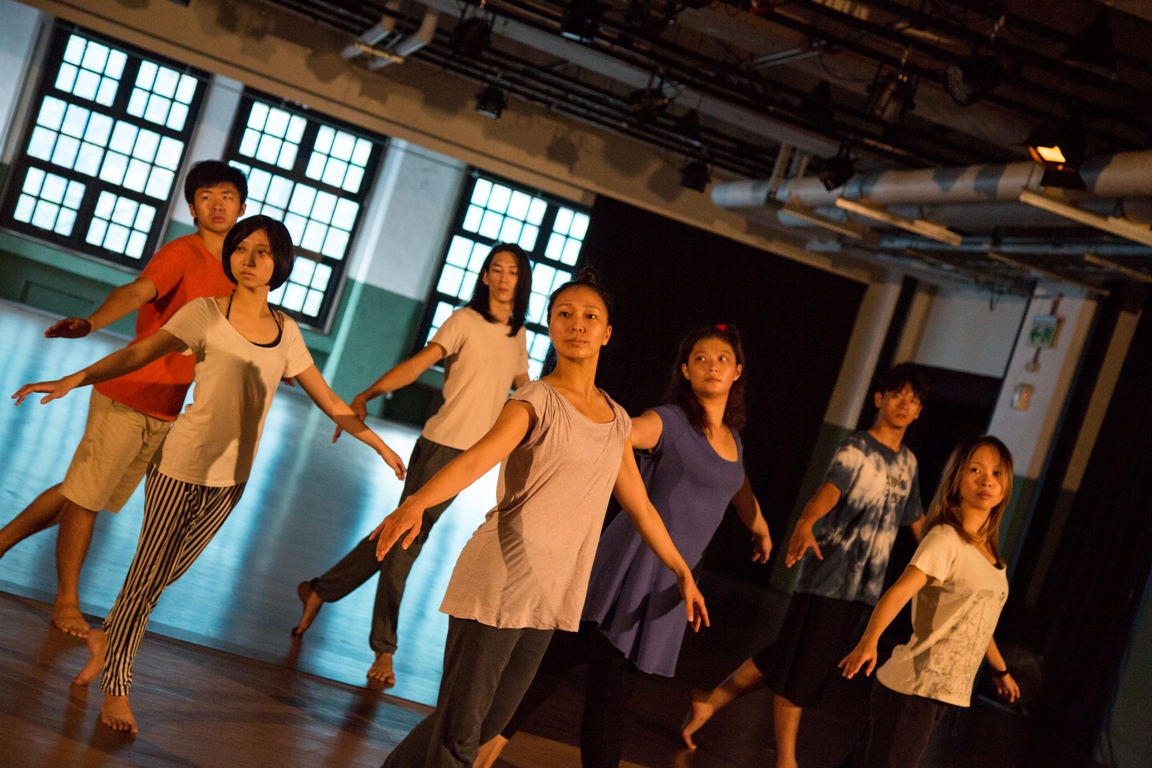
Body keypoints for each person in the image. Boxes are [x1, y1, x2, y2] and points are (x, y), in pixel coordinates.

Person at [12, 216, 406, 734]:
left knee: (161, 575)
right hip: (179, 466)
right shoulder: (205, 312)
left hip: (230, 480)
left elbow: (329, 400)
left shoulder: (287, 333)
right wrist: (75, 378)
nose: (248, 259)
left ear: (280, 264)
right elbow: (139, 352)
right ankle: (117, 688)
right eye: (241, 248)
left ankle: (109, 633)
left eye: (262, 252)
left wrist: (378, 443)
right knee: (147, 578)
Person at [373, 271, 708, 768]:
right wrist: (416, 502)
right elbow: (477, 458)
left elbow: (640, 506)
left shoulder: (616, 420)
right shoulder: (535, 400)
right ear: (550, 328)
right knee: (462, 732)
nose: (577, 324)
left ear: (607, 333)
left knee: (485, 723)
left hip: (552, 592)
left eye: (590, 316)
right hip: (499, 581)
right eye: (564, 315)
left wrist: (681, 570)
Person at [476, 324, 773, 768]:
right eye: (701, 359)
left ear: (737, 372)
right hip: (630, 567)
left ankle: (489, 739)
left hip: (671, 580)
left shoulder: (733, 440)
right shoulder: (669, 421)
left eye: (722, 360)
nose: (712, 366)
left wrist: (760, 526)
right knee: (606, 686)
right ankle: (487, 740)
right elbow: (619, 433)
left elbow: (737, 484)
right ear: (686, 371)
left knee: (568, 660)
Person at [0, 161, 247, 638]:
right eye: (207, 196)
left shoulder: (238, 271)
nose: (217, 205)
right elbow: (136, 291)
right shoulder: (181, 252)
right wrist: (92, 323)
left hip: (167, 407)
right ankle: (66, 601)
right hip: (127, 393)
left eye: (227, 197)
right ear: (191, 207)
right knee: (86, 501)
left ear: (241, 207)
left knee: (81, 491)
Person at [291, 243, 532, 688]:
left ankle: (320, 590)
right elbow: (420, 364)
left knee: (399, 532)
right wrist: (368, 393)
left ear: (522, 281)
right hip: (440, 447)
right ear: (484, 276)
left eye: (512, 271)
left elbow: (526, 389)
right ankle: (384, 647)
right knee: (406, 540)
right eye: (496, 269)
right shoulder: (464, 320)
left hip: (472, 455)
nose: (503, 278)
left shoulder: (516, 335)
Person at [681, 364, 927, 768]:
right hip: (829, 578)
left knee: (787, 656)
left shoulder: (909, 464)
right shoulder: (856, 448)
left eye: (913, 400)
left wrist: (944, 561)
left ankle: (709, 701)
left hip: (866, 589)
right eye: (897, 394)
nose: (905, 404)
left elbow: (916, 519)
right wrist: (807, 521)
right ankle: (787, 761)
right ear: (879, 399)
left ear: (918, 412)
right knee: (803, 671)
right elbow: (829, 491)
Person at [839, 435, 1021, 768]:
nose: (987, 480)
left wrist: (1000, 671)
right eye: (975, 470)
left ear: (1006, 485)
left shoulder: (990, 554)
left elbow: (976, 622)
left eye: (997, 473)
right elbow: (899, 591)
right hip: (913, 690)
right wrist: (869, 640)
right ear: (956, 479)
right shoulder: (945, 539)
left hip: (938, 694)